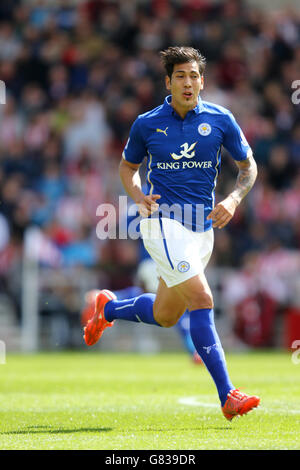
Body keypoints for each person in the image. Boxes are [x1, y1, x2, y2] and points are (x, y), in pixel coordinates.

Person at [83, 46, 260, 421]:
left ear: (202, 81)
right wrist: (136, 196)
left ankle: (108, 307)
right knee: (202, 299)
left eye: (194, 76)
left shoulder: (221, 119)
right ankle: (228, 394)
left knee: (166, 315)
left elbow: (248, 168)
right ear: (168, 82)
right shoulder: (147, 123)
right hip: (162, 223)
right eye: (180, 76)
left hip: (202, 230)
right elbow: (127, 167)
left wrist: (233, 199)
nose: (188, 82)